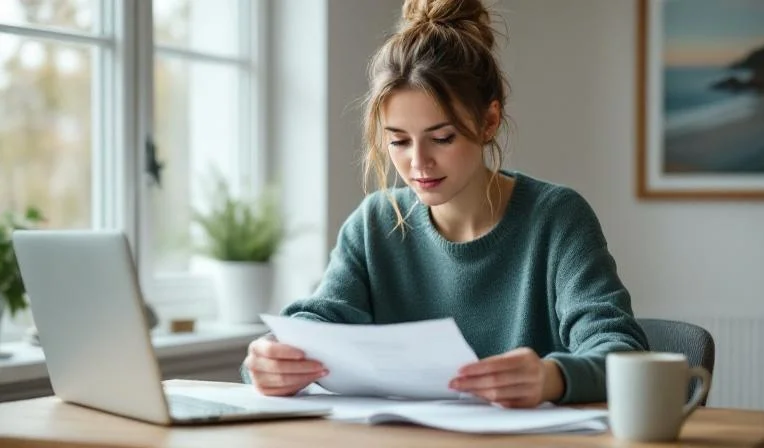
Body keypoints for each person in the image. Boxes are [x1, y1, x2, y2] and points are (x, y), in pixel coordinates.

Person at [244, 0, 648, 408]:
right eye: (398, 141)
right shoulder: (373, 224)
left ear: (489, 121)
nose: (418, 163)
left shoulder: (557, 217)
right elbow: (317, 324)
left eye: (442, 138)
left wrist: (552, 377)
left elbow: (620, 350)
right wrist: (271, 358)